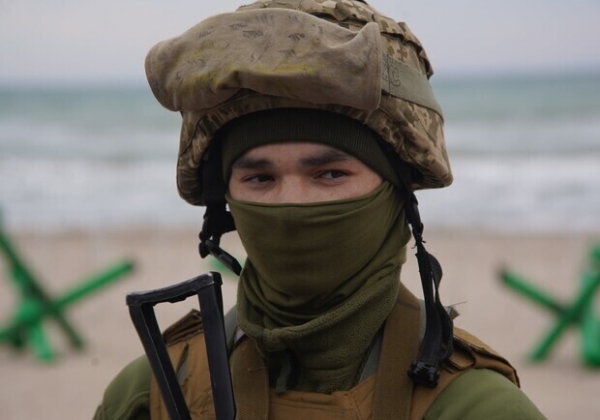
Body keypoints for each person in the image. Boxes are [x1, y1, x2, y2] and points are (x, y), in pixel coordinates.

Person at [94, 0, 545, 418]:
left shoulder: (477, 407)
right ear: (225, 201)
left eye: (330, 174)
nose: (291, 202)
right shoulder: (152, 393)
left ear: (396, 194)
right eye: (260, 178)